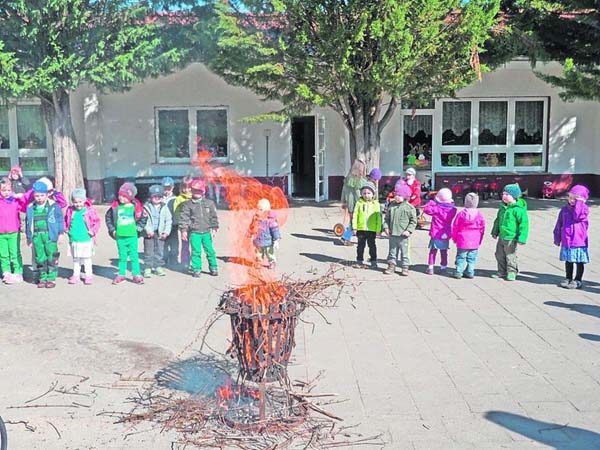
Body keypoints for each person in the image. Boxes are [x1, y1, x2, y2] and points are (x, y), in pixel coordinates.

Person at [105, 182, 146, 285]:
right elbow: (108, 218)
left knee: (134, 256)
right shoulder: (115, 207)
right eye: (120, 195)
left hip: (132, 236)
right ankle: (121, 275)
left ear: (130, 197)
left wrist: (139, 228)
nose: (121, 198)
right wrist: (112, 230)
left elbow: (143, 217)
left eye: (124, 196)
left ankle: (136, 274)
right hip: (120, 236)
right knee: (122, 256)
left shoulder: (136, 206)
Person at [25, 181, 65, 288]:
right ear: (33, 195)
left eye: (42, 195)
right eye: (37, 195)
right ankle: (42, 277)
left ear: (47, 195)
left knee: (51, 256)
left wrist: (61, 233)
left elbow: (60, 219)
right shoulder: (30, 207)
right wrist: (29, 237)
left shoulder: (53, 206)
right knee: (40, 257)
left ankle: (51, 278)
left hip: (50, 235)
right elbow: (28, 223)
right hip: (37, 236)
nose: (39, 198)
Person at [178, 178, 219, 278]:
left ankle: (213, 267)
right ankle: (196, 268)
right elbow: (184, 218)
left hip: (206, 232)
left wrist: (214, 228)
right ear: (191, 191)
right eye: (195, 190)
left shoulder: (209, 203)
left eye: (199, 190)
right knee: (196, 251)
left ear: (203, 191)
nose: (197, 192)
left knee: (210, 250)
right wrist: (183, 230)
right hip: (194, 232)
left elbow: (213, 217)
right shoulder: (187, 204)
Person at [553, 184, 589, 289]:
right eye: (570, 197)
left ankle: (578, 279)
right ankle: (568, 277)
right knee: (568, 261)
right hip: (567, 240)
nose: (572, 200)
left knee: (579, 261)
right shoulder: (564, 210)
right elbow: (559, 224)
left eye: (575, 198)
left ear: (582, 200)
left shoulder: (584, 210)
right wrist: (557, 237)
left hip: (579, 241)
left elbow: (577, 216)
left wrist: (579, 203)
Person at [491, 183, 529, 281]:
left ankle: (512, 271)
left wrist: (522, 238)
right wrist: (495, 231)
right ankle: (501, 271)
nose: (504, 196)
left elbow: (524, 225)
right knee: (499, 254)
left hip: (511, 237)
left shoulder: (518, 210)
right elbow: (498, 220)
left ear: (514, 196)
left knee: (510, 255)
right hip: (502, 236)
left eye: (507, 194)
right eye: (503, 194)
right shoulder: (503, 207)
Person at [64, 188, 101, 285]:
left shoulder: (89, 210)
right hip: (74, 239)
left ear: (84, 201)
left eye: (80, 202)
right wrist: (66, 229)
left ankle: (88, 275)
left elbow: (97, 221)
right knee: (76, 259)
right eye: (75, 202)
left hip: (85, 239)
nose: (78, 204)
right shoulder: (70, 210)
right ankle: (76, 275)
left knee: (86, 259)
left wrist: (93, 231)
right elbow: (66, 220)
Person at [382, 182, 417, 276]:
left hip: (403, 235)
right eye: (396, 195)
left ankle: (405, 267)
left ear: (405, 197)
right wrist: (385, 227)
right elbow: (386, 219)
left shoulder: (409, 208)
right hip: (393, 234)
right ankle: (391, 265)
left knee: (404, 252)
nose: (397, 197)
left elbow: (413, 221)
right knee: (392, 251)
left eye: (400, 195)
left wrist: (409, 230)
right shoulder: (391, 206)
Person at [451, 192, 486, 279]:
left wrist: (454, 238)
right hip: (475, 239)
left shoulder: (461, 214)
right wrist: (480, 240)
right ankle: (470, 272)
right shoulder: (479, 215)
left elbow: (455, 226)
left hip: (462, 239)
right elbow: (482, 228)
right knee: (472, 258)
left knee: (461, 257)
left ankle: (459, 271)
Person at [424, 187, 457, 275]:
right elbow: (451, 205)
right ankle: (443, 267)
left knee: (433, 250)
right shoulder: (453, 210)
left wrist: (433, 201)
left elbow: (427, 209)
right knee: (444, 251)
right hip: (445, 233)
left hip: (436, 233)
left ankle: (430, 267)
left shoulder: (437, 209)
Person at [0, 177, 27, 284]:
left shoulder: (15, 201)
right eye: (3, 190)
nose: (6, 193)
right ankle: (6, 272)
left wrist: (19, 197)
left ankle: (18, 272)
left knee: (15, 253)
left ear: (12, 190)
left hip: (14, 232)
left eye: (8, 190)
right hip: (1, 233)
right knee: (3, 254)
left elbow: (25, 205)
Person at [142, 184, 172, 278]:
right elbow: (144, 220)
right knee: (148, 250)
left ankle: (158, 266)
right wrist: (148, 230)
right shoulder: (146, 207)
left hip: (160, 232)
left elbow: (168, 220)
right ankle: (148, 267)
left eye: (159, 196)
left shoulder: (164, 207)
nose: (157, 198)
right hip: (149, 233)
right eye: (155, 196)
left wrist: (166, 231)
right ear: (150, 197)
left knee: (159, 250)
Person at [352, 182, 381, 269]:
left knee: (372, 246)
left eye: (369, 193)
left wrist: (378, 229)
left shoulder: (375, 204)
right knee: (360, 246)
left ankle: (373, 261)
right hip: (361, 229)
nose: (366, 195)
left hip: (371, 230)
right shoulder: (359, 203)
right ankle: (359, 261)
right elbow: (355, 215)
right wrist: (354, 227)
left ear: (373, 194)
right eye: (364, 193)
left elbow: (378, 218)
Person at [340, 159, 367, 245]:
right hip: (357, 205)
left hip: (349, 204)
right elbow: (359, 195)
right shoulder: (361, 182)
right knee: (355, 223)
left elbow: (343, 191)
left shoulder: (347, 179)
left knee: (353, 221)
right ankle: (346, 238)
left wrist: (343, 201)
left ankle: (346, 237)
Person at [250, 198, 281, 269]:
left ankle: (272, 262)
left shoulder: (270, 220)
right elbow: (252, 227)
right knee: (258, 253)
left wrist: (276, 240)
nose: (258, 211)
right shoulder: (256, 218)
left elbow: (275, 230)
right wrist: (249, 234)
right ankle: (258, 262)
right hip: (258, 240)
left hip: (268, 241)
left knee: (269, 253)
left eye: (261, 209)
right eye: (257, 209)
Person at [174, 176, 193, 268]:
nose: (186, 190)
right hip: (184, 227)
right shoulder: (179, 199)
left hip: (195, 226)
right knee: (185, 245)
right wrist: (180, 224)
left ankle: (195, 263)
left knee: (195, 245)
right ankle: (185, 262)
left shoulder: (196, 197)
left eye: (189, 187)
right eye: (184, 187)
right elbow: (176, 212)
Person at [161, 177, 179, 267]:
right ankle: (164, 258)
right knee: (163, 243)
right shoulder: (159, 199)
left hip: (173, 225)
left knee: (174, 243)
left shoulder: (176, 199)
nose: (166, 190)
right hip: (162, 225)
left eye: (168, 188)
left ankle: (174, 258)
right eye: (165, 188)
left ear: (172, 188)